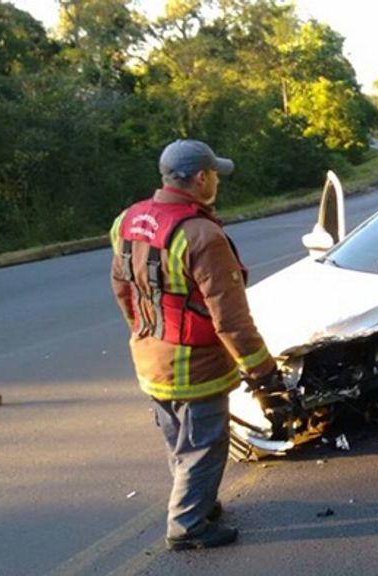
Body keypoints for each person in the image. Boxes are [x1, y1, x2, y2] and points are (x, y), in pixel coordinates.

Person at [109, 139, 278, 551]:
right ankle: (188, 526)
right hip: (195, 366)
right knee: (204, 445)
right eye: (215, 174)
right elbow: (231, 319)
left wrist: (144, 331)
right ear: (201, 178)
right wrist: (263, 371)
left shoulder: (127, 221)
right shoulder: (202, 235)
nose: (216, 180)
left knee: (178, 440)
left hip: (150, 357)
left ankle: (198, 501)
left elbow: (121, 287)